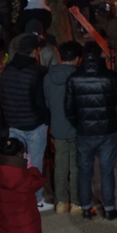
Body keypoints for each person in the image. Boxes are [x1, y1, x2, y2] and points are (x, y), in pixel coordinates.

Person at [66, 42, 117, 221]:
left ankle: (86, 208)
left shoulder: (74, 78)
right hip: (107, 130)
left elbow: (68, 108)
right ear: (100, 55)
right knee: (107, 171)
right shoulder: (111, 76)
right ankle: (109, 208)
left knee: (85, 171)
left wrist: (78, 124)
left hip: (85, 131)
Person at [0, 35, 52, 210]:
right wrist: (45, 120)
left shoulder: (8, 70)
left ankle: (16, 195)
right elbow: (40, 102)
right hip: (33, 125)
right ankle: (35, 200)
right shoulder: (37, 71)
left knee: (15, 163)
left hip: (13, 123)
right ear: (36, 51)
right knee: (35, 164)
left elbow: (0, 98)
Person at [44, 41, 84, 214]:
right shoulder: (80, 77)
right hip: (76, 128)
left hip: (58, 127)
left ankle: (61, 202)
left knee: (60, 165)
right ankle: (76, 203)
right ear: (77, 58)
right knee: (76, 166)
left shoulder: (49, 77)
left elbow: (47, 102)